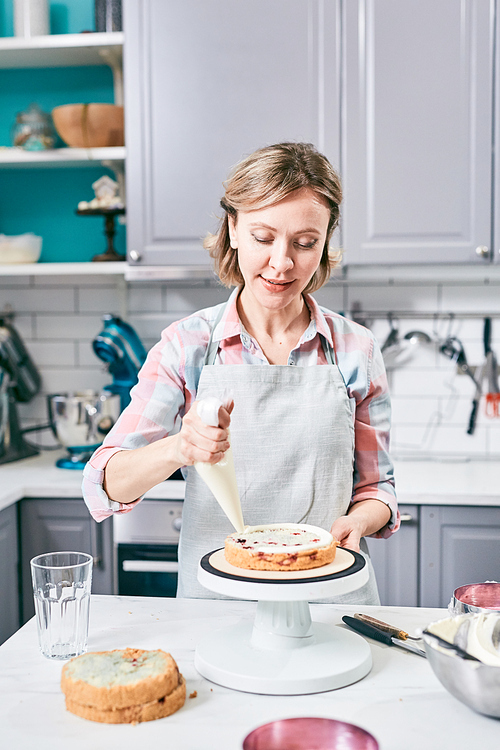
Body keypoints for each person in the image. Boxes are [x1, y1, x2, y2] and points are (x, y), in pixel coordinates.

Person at [83, 142, 399, 603]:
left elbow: (377, 489)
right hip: (216, 610)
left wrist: (359, 521)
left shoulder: (356, 349)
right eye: (263, 238)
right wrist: (180, 448)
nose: (282, 263)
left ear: (325, 243)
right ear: (233, 228)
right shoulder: (186, 345)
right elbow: (104, 483)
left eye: (305, 243)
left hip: (328, 602)